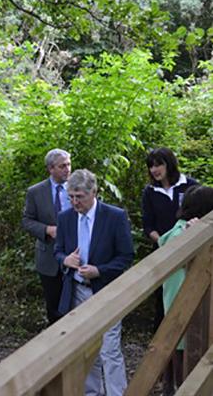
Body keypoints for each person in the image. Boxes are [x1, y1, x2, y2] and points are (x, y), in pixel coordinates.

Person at [55, 169, 134, 396]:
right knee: (84, 349)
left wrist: (99, 270)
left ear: (94, 193)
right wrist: (66, 260)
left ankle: (117, 393)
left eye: (79, 196)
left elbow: (126, 256)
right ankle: (91, 393)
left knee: (109, 350)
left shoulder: (115, 216)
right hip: (77, 292)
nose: (74, 202)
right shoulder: (65, 217)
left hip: (107, 291)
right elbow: (58, 251)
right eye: (70, 196)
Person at [141, 147, 197, 394]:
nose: (155, 170)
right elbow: (147, 225)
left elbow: (201, 214)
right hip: (163, 255)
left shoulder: (190, 186)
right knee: (162, 312)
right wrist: (165, 241)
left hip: (193, 256)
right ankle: (166, 378)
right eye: (151, 166)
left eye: (159, 164)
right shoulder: (149, 192)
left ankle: (190, 374)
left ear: (169, 164)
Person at [158, 185, 213, 393]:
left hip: (181, 313)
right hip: (185, 314)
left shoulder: (182, 228)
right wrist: (196, 237)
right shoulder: (182, 232)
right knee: (186, 373)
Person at [22, 149, 71, 324]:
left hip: (76, 254)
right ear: (51, 169)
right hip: (48, 256)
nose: (67, 169)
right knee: (54, 306)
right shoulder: (35, 192)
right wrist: (46, 230)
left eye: (68, 164)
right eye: (62, 166)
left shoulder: (77, 187)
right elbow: (27, 221)